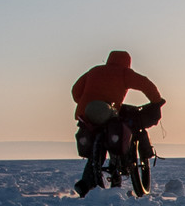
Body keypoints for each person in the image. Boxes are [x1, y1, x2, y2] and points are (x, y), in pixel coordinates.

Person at [71, 51, 165, 196]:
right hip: (108, 112)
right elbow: (146, 84)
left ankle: (87, 182)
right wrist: (157, 101)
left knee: (98, 148)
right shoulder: (124, 73)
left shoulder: (95, 70)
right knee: (116, 134)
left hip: (87, 114)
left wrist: (86, 102)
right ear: (127, 62)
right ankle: (115, 174)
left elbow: (76, 91)